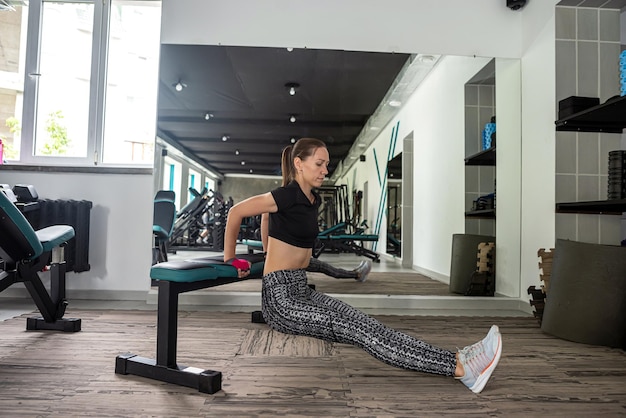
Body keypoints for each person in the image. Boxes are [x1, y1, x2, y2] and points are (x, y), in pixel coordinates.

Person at [223, 137, 502, 394]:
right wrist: (231, 259)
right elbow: (236, 213)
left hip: (301, 289)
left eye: (326, 165)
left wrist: (270, 242)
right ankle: (462, 370)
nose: (325, 170)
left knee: (369, 324)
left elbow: (269, 222)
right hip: (281, 299)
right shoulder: (285, 195)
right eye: (319, 164)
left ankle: (457, 357)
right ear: (299, 164)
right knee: (364, 334)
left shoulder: (312, 199)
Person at [260, 212, 372, 282]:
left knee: (324, 267)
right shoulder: (273, 215)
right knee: (326, 268)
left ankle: (356, 273)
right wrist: (266, 252)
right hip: (290, 262)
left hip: (291, 258)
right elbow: (265, 217)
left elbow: (265, 218)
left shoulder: (277, 224)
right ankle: (357, 274)